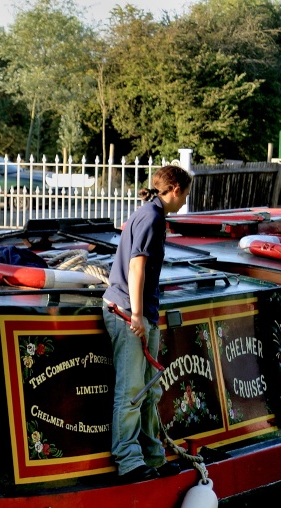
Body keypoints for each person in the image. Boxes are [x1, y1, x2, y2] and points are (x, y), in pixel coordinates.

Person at [102, 164, 192, 483]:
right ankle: (128, 460)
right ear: (176, 190)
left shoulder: (151, 214)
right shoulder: (152, 217)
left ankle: (152, 456)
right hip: (127, 310)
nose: (184, 202)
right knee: (132, 389)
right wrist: (137, 315)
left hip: (141, 310)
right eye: (185, 195)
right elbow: (136, 266)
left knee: (148, 391)